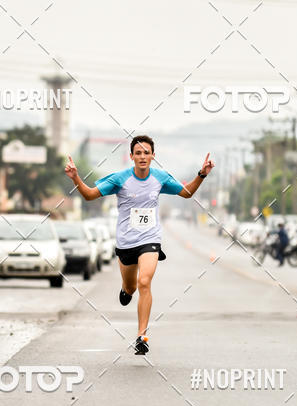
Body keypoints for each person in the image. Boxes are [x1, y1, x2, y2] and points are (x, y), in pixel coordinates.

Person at [64, 135, 214, 355]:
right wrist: (76, 177)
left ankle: (141, 336)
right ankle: (126, 289)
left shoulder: (160, 178)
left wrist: (202, 174)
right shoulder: (120, 179)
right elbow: (89, 195)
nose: (143, 157)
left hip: (150, 240)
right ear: (132, 156)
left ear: (153, 156)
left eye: (147, 153)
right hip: (126, 243)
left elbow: (187, 193)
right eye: (138, 153)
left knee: (144, 281)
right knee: (131, 287)